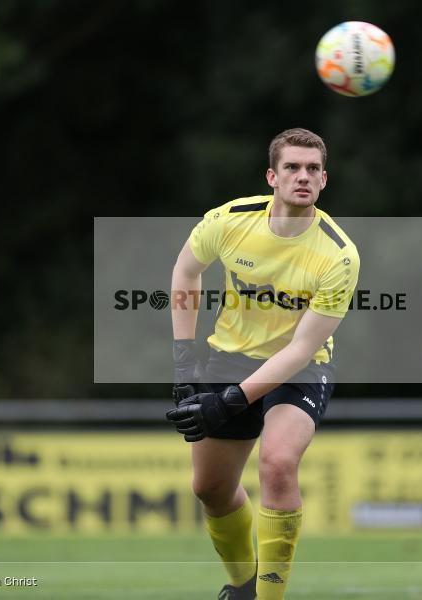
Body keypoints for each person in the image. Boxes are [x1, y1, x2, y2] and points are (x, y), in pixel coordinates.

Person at [165, 128, 359, 600]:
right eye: (292, 167)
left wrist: (232, 399)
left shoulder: (339, 254)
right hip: (229, 356)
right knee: (209, 488)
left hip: (300, 367)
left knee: (277, 464)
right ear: (272, 176)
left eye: (313, 169)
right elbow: (187, 270)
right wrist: (184, 360)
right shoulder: (229, 220)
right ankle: (243, 588)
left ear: (324, 180)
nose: (303, 176)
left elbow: (299, 348)